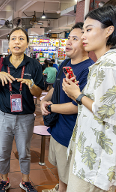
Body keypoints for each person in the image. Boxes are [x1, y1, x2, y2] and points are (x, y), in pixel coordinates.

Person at [62, 5, 116, 192]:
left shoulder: (108, 65)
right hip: (90, 152)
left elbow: (105, 110)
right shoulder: (102, 63)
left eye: (89, 30)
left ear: (109, 30)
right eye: (83, 31)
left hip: (96, 159)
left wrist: (77, 95)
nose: (83, 36)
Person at [0, 27, 44, 192]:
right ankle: (4, 180)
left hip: (26, 116)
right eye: (13, 38)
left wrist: (31, 84)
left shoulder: (34, 64)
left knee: (24, 152)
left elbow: (38, 92)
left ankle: (25, 181)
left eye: (21, 39)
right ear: (9, 43)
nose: (17, 42)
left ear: (27, 43)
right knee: (3, 151)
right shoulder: (0, 63)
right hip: (3, 115)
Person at [40, 22, 94, 192]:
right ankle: (59, 189)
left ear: (85, 42)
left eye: (75, 39)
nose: (68, 42)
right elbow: (55, 88)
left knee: (70, 175)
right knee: (61, 171)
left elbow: (77, 106)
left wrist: (51, 108)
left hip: (71, 134)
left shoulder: (89, 69)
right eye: (68, 38)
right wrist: (43, 100)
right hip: (57, 127)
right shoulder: (65, 63)